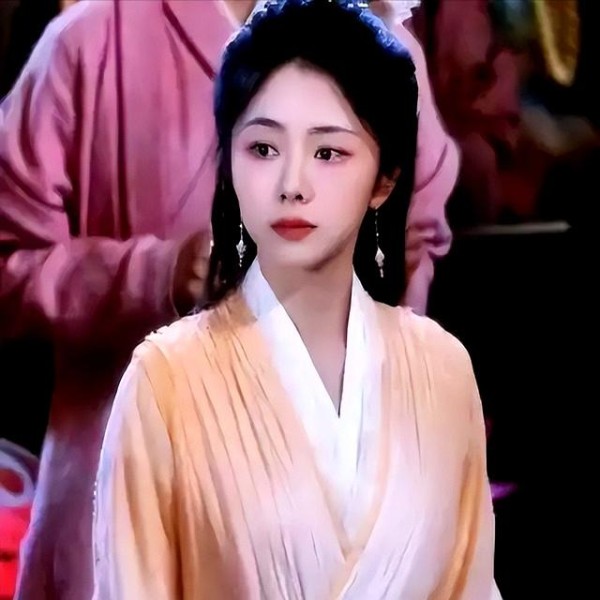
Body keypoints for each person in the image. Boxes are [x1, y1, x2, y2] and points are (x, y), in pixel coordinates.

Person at [0, 0, 455, 597]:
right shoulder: (92, 39)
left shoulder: (378, 43)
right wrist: (155, 274)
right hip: (127, 515)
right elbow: (9, 262)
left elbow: (417, 238)